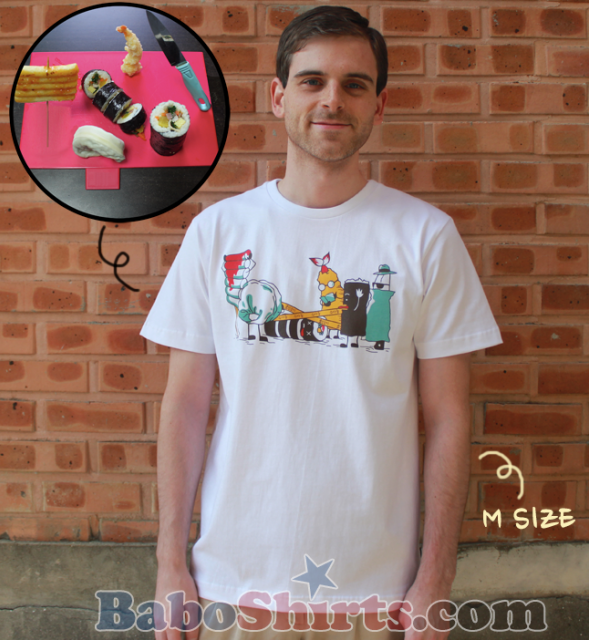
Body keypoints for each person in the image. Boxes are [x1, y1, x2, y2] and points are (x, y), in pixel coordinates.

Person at [140, 6, 502, 640]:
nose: (332, 99)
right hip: (232, 585)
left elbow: (447, 417)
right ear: (278, 97)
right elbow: (186, 405)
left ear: (378, 106)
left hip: (377, 594)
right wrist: (171, 565)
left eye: (354, 84)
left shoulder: (425, 238)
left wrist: (436, 578)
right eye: (312, 81)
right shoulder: (218, 233)